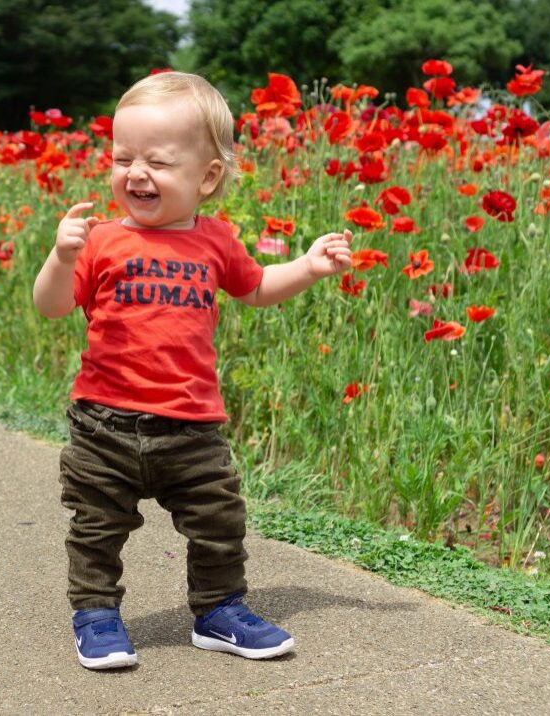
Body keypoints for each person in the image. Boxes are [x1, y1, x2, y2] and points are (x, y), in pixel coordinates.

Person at [33, 70, 353, 670]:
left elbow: (256, 287)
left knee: (219, 521)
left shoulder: (216, 241)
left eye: (157, 161)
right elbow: (50, 306)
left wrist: (308, 266)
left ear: (207, 178)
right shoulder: (100, 241)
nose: (135, 173)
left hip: (192, 425)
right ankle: (97, 614)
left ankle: (218, 610)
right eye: (123, 157)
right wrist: (60, 256)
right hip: (104, 425)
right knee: (97, 525)